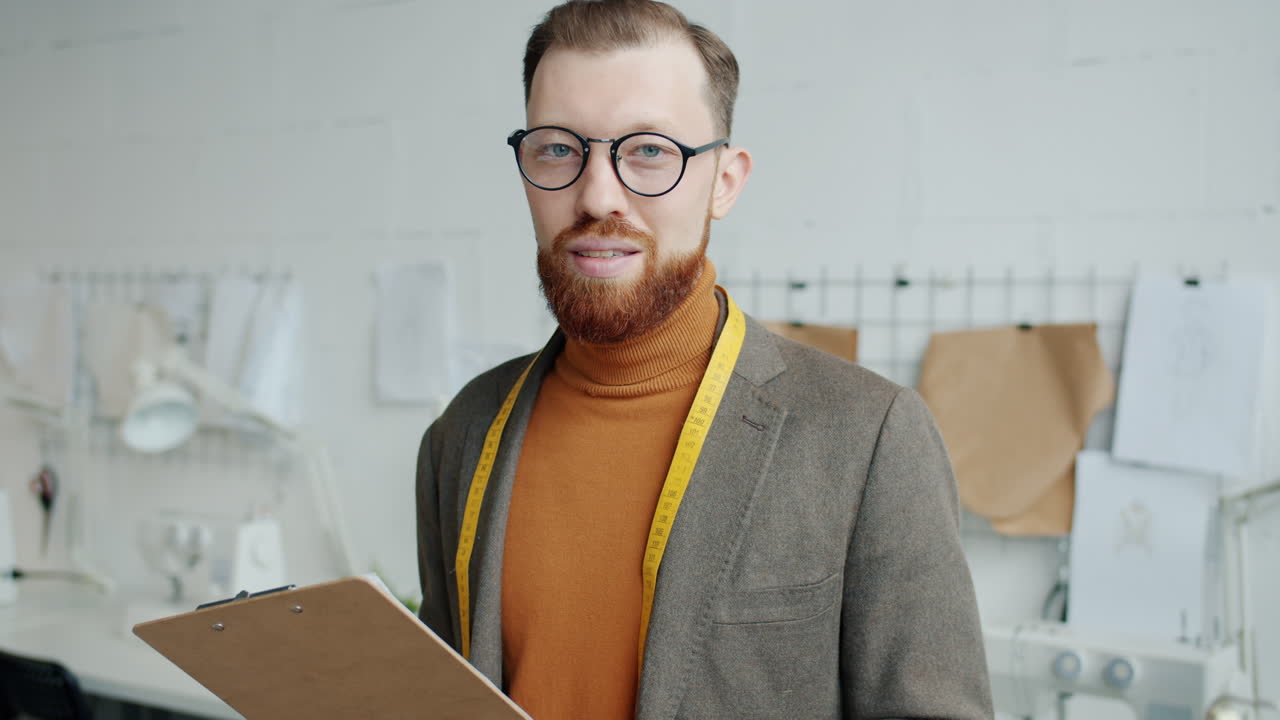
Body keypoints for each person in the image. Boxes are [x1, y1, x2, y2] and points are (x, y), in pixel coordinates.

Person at [416, 1, 993, 718]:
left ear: (725, 180)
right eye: (558, 149)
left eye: (650, 151)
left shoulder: (870, 436)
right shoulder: (463, 432)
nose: (597, 195)